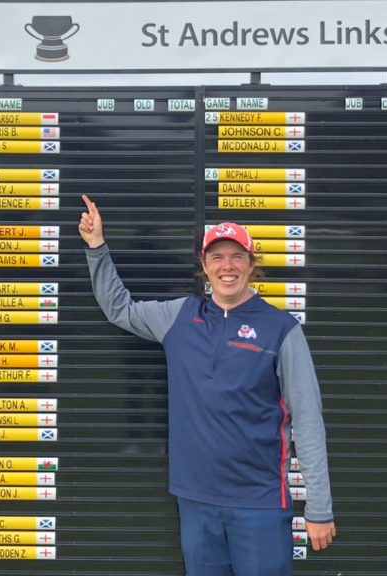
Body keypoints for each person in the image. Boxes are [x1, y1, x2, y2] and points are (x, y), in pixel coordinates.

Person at [78, 194, 336, 576]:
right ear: (204, 265)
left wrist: (319, 508)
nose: (227, 266)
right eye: (217, 257)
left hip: (260, 502)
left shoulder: (282, 329)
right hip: (195, 501)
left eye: (236, 257)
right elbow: (120, 308)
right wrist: (97, 247)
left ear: (251, 265)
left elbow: (308, 421)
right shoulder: (179, 316)